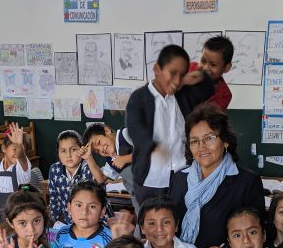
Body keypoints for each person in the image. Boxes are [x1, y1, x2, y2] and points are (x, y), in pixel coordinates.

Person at [169, 103, 265, 248]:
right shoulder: (180, 179)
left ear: (225, 141)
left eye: (209, 138)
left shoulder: (245, 181)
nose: (201, 147)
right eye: (194, 141)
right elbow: (171, 224)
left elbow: (255, 235)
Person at [126, 44, 215, 204]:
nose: (176, 80)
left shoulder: (184, 95)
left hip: (183, 176)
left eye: (181, 75)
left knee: (182, 223)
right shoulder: (139, 98)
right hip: (150, 180)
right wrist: (153, 145)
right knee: (152, 225)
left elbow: (208, 88)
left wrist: (198, 76)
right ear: (157, 69)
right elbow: (135, 129)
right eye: (172, 73)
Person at [49, 130, 110, 225]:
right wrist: (53, 223)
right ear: (58, 153)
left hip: (95, 222)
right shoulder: (54, 169)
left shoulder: (91, 168)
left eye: (73, 149)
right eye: (63, 151)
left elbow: (101, 201)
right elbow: (54, 199)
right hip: (69, 224)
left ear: (82, 149)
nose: (68, 155)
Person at [0, 122, 40, 224]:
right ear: (4, 148)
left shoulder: (22, 168)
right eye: (14, 149)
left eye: (22, 150)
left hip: (19, 216)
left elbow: (21, 156)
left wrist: (19, 146)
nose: (17, 153)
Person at [188, 35, 235, 110]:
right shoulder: (188, 68)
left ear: (226, 68)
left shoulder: (224, 95)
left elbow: (205, 117)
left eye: (213, 65)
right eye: (203, 61)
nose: (205, 68)